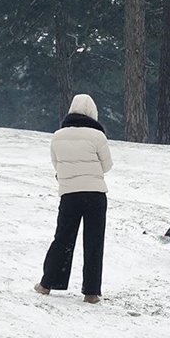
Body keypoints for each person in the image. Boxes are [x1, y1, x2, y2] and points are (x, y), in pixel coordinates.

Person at [34, 94, 113, 304]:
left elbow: (56, 164)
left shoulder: (57, 136)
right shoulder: (98, 136)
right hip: (95, 195)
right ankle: (91, 292)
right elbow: (107, 166)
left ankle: (47, 284)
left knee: (63, 239)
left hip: (69, 194)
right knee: (94, 242)